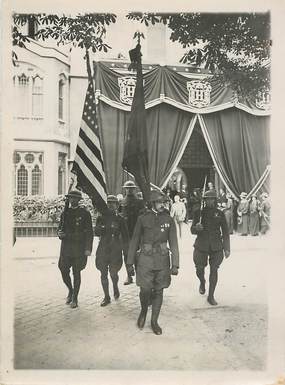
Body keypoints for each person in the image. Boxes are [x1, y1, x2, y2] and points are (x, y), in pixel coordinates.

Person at [127, 190, 179, 335]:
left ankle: (154, 321)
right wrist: (130, 262)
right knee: (144, 290)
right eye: (159, 202)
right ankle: (143, 311)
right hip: (145, 260)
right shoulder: (142, 219)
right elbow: (134, 241)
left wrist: (175, 264)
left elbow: (173, 243)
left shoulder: (168, 220)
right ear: (152, 203)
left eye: (164, 202)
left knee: (159, 290)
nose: (163, 205)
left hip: (162, 261)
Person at [190, 190, 230, 306]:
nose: (210, 201)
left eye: (212, 199)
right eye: (207, 199)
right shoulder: (199, 213)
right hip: (201, 245)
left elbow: (226, 232)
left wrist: (227, 248)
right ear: (204, 200)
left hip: (216, 246)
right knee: (199, 269)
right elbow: (192, 230)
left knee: (214, 270)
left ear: (215, 200)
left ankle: (211, 296)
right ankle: (202, 282)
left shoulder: (220, 213)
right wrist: (196, 228)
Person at [57, 190, 93, 309]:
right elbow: (60, 228)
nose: (71, 200)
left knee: (76, 273)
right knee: (63, 270)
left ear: (78, 200)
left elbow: (89, 233)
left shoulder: (84, 213)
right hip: (66, 248)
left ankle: (75, 297)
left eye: (74, 198)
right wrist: (59, 233)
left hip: (78, 248)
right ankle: (70, 290)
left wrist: (88, 248)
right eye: (70, 198)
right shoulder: (65, 213)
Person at [94, 195, 129, 306]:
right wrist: (101, 227)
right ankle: (106, 297)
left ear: (117, 205)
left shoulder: (120, 219)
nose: (111, 205)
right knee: (103, 273)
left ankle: (115, 286)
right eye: (109, 203)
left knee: (114, 273)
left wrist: (126, 251)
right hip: (103, 248)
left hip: (115, 249)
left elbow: (126, 237)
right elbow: (97, 232)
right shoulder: (101, 218)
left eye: (113, 203)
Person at [121, 180, 145, 285]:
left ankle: (139, 275)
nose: (129, 190)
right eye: (127, 188)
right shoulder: (122, 202)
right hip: (125, 233)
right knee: (126, 254)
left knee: (138, 254)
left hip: (136, 232)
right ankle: (129, 275)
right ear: (125, 189)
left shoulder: (139, 202)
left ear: (134, 189)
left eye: (131, 188)